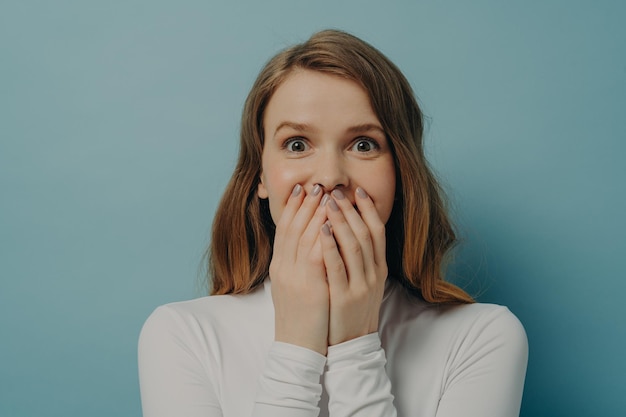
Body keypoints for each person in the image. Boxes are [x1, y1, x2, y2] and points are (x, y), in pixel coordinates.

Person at [138, 29, 528, 417]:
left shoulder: (482, 337)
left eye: (363, 144)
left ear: (401, 173)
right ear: (260, 175)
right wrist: (296, 346)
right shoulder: (181, 336)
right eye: (297, 144)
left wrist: (356, 348)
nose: (329, 177)